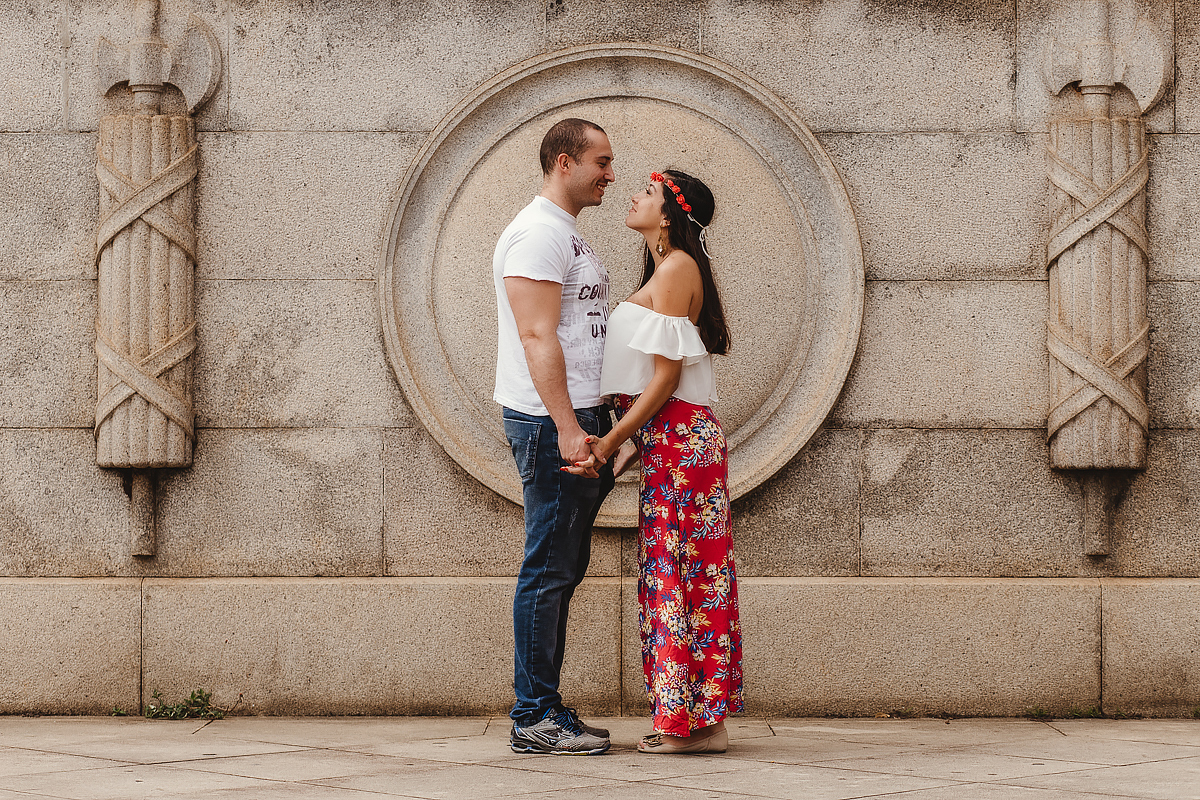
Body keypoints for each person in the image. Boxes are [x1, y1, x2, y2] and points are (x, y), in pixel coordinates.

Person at [571, 169, 743, 754]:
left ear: (669, 213)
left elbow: (667, 380)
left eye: (645, 192)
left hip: (682, 445)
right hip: (671, 446)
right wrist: (620, 453)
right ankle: (704, 724)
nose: (632, 197)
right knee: (690, 577)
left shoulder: (676, 270)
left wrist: (611, 439)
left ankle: (686, 726)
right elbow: (654, 382)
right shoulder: (665, 269)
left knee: (680, 578)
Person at [493, 118, 617, 756]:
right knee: (547, 568)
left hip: (576, 423)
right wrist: (570, 428)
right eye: (600, 161)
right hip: (551, 426)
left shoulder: (565, 236)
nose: (610, 175)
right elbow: (537, 337)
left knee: (562, 567)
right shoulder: (538, 235)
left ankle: (544, 708)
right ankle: (534, 716)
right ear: (564, 162)